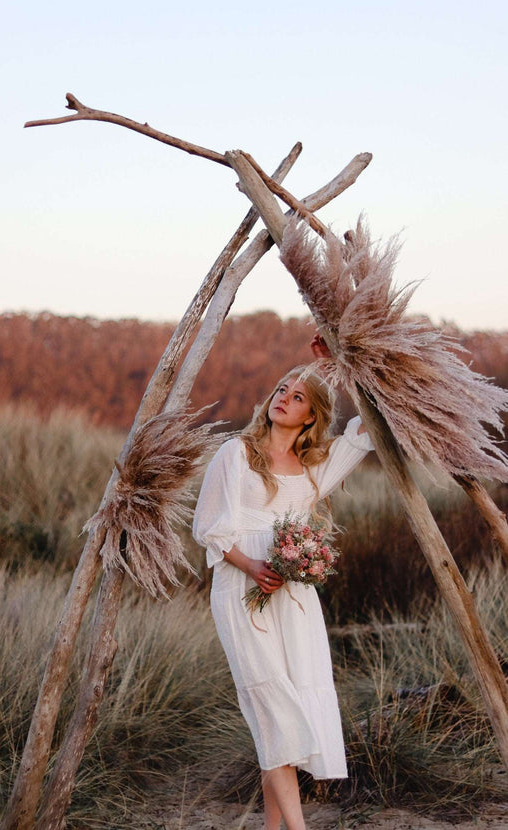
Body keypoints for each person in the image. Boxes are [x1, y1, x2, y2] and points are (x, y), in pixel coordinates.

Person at [192, 336, 374, 830]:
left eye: (297, 396)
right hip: (241, 590)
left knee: (292, 704)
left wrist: (336, 364)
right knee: (271, 703)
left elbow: (367, 428)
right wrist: (251, 566)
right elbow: (207, 525)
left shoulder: (316, 469)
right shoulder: (236, 453)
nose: (283, 398)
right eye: (281, 390)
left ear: (311, 417)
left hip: (293, 598)